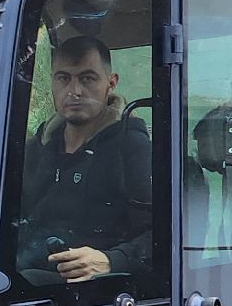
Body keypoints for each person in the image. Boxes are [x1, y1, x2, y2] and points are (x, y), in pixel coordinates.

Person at [17, 35, 152, 284]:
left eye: (87, 78)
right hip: (27, 282)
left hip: (101, 293)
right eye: (63, 78)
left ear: (111, 83)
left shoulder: (132, 148)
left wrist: (111, 260)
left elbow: (164, 234)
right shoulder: (34, 151)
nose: (75, 91)